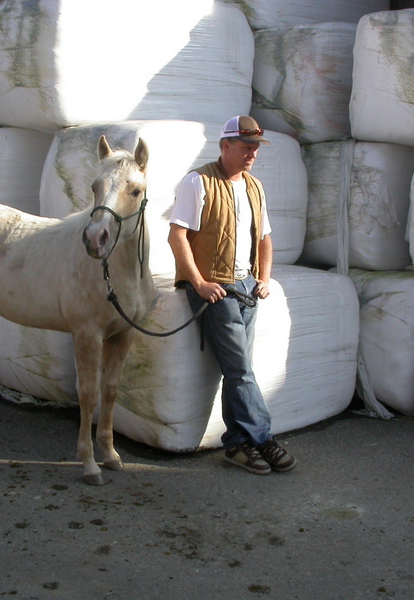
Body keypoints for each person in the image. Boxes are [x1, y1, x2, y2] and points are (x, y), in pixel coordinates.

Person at [167, 115, 297, 475]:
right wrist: (198, 283)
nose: (252, 153)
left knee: (238, 369)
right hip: (216, 290)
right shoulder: (198, 181)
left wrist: (264, 278)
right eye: (246, 147)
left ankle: (238, 443)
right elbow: (177, 236)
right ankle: (262, 438)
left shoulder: (254, 186)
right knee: (240, 368)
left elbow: (264, 237)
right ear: (225, 146)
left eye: (255, 147)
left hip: (246, 287)